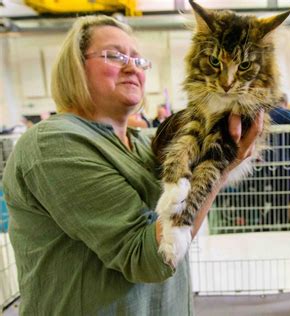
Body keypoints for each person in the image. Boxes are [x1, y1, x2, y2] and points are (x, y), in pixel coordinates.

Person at [2, 15, 262, 315]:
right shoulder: (53, 144)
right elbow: (147, 257)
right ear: (74, 66)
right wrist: (220, 169)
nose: (131, 67)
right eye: (115, 55)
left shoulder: (140, 143)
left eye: (139, 60)